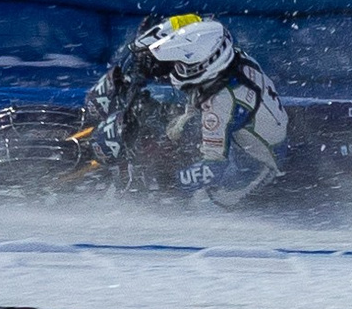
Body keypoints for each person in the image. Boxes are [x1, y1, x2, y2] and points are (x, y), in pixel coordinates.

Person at [83, 13, 287, 207]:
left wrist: (169, 181)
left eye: (182, 65)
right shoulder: (227, 54)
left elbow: (214, 168)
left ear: (205, 65)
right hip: (245, 135)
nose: (176, 69)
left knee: (168, 193)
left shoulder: (220, 103)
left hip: (250, 169)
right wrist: (147, 43)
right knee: (165, 121)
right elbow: (192, 25)